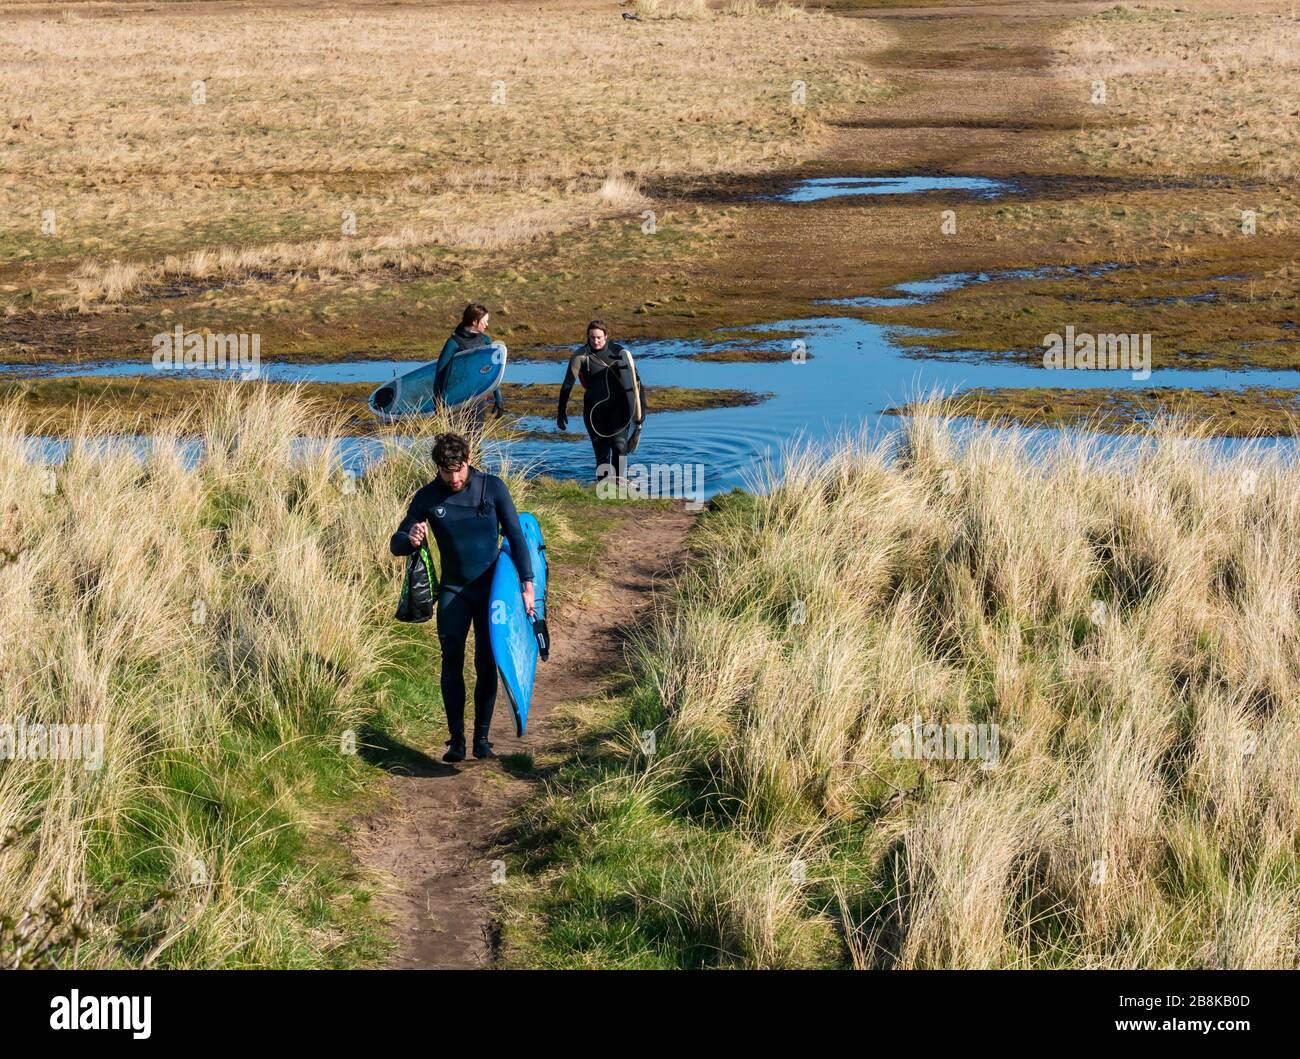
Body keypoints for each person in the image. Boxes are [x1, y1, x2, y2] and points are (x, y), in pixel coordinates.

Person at [390, 432, 535, 762]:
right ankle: (456, 741)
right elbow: (395, 544)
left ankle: (482, 740)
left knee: (486, 662)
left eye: (458, 470)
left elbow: (515, 535)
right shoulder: (427, 497)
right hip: (454, 591)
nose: (453, 478)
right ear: (438, 468)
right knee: (451, 660)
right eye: (446, 472)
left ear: (468, 461)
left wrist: (527, 585)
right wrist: (410, 538)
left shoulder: (492, 488)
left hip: (491, 592)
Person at [556, 320, 645, 480]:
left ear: (606, 336)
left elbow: (636, 386)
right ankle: (603, 489)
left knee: (619, 447)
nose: (596, 341)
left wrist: (640, 417)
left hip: (619, 408)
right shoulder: (581, 356)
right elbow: (568, 384)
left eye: (599, 337)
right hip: (594, 411)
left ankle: (619, 483)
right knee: (602, 454)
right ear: (588, 337)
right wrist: (561, 411)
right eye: (592, 338)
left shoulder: (619, 353)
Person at [434, 303, 505, 429]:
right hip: (455, 398)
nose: (487, 325)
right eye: (485, 321)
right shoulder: (454, 343)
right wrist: (438, 402)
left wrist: (498, 398)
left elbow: (493, 372)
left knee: (475, 440)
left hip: (478, 398)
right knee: (456, 441)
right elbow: (440, 373)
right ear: (474, 322)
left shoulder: (486, 341)